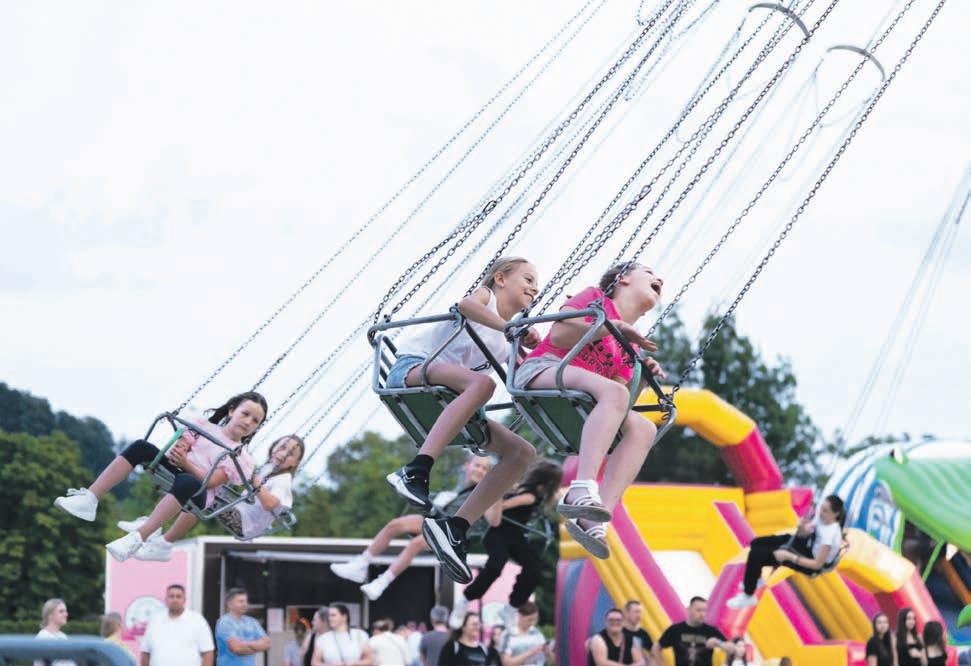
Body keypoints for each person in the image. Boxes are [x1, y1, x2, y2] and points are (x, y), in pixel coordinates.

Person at [384, 256, 541, 583]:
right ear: (500, 279)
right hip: (413, 370)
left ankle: (455, 527)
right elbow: (465, 305)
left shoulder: (507, 340)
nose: (534, 288)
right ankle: (415, 470)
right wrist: (510, 329)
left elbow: (530, 375)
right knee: (483, 384)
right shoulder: (486, 298)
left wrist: (535, 348)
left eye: (536, 284)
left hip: (453, 397)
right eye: (527, 279)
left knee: (522, 453)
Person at [513, 261, 665, 558]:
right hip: (545, 370)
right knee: (614, 393)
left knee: (644, 428)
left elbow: (619, 403)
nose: (657, 278)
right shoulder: (595, 298)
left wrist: (644, 378)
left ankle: (595, 516)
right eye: (648, 272)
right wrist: (611, 327)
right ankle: (582, 486)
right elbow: (559, 336)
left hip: (579, 396)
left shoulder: (631, 349)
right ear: (623, 279)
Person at [53, 391, 267, 561]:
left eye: (255, 421)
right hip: (177, 468)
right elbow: (184, 440)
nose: (248, 422)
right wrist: (181, 448)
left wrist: (185, 463)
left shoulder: (241, 457)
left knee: (189, 481)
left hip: (199, 491)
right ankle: (90, 498)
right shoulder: (204, 426)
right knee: (141, 447)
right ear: (232, 410)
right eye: (245, 414)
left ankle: (138, 537)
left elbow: (210, 482)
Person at [331, 455, 492, 600]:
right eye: (477, 465)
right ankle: (361, 563)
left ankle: (382, 582)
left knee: (416, 543)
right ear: (466, 465)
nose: (480, 470)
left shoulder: (485, 492)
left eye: (485, 468)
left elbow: (490, 519)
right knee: (395, 524)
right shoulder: (456, 490)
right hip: (439, 520)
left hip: (454, 535)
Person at [120, 434, 304, 560]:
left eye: (290, 454)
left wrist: (254, 480)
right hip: (240, 511)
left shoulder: (284, 480)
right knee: (204, 489)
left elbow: (271, 504)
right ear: (274, 446)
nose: (283, 454)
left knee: (204, 493)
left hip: (245, 523)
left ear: (295, 463)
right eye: (282, 447)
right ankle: (155, 527)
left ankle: (164, 541)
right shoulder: (268, 469)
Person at [450, 460, 562, 626]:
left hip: (516, 538)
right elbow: (502, 507)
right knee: (495, 566)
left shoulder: (529, 493)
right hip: (497, 534)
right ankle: (465, 600)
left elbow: (507, 503)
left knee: (534, 568)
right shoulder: (527, 493)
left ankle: (511, 608)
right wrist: (499, 491)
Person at [727, 495, 846, 609]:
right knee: (756, 543)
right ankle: (756, 580)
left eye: (825, 511)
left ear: (836, 514)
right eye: (821, 508)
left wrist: (788, 556)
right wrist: (801, 527)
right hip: (805, 546)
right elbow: (803, 534)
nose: (820, 513)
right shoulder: (823, 519)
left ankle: (748, 596)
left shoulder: (830, 535)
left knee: (756, 555)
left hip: (809, 562)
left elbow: (817, 565)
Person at [139, 583, 214, 666]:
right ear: (166, 600)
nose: (175, 600)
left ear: (184, 600)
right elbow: (145, 652)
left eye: (178, 596)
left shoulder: (197, 621)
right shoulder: (155, 621)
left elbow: (208, 652)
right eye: (171, 596)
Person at [652, 597, 730, 666]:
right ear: (689, 609)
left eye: (704, 611)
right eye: (698, 610)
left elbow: (732, 648)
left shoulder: (711, 630)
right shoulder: (675, 630)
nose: (702, 614)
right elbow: (656, 648)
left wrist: (719, 643)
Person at [214, 588, 270, 666]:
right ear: (230, 604)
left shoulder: (252, 621)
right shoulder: (224, 622)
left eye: (246, 601)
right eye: (241, 601)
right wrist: (257, 646)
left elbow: (267, 644)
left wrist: (245, 644)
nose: (245, 604)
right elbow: (237, 649)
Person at [497, 602, 548, 666]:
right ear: (520, 616)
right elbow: (506, 663)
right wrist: (531, 652)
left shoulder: (537, 633)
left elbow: (549, 660)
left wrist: (548, 652)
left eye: (535, 619)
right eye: (530, 620)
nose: (533, 623)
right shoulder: (507, 635)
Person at [34, 598, 75, 666]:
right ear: (50, 615)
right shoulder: (42, 637)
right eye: (61, 611)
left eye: (65, 611)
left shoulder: (63, 636)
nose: (66, 614)